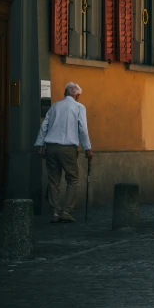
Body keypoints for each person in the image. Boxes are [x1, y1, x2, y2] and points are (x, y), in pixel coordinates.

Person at [34, 82, 92, 222]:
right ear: (77, 96)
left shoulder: (54, 106)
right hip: (68, 148)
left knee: (53, 181)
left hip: (51, 147)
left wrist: (41, 144)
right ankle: (66, 211)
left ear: (64, 93)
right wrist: (87, 148)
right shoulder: (79, 107)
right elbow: (82, 129)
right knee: (72, 179)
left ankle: (55, 212)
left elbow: (44, 126)